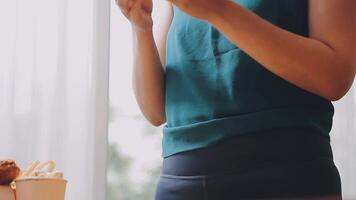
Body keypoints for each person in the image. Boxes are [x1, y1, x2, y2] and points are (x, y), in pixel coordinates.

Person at [116, 0, 356, 199]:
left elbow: (335, 77)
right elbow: (156, 111)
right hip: (181, 181)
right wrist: (141, 26)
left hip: (287, 173)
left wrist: (218, 10)